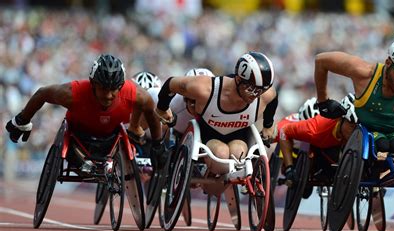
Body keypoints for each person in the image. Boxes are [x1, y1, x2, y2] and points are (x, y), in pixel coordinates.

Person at [5, 54, 166, 172]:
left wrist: (158, 144)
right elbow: (41, 94)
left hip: (110, 139)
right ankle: (80, 164)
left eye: (113, 90)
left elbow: (151, 111)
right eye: (103, 89)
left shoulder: (134, 93)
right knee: (78, 160)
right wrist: (22, 119)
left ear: (121, 86)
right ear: (93, 84)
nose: (109, 95)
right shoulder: (73, 92)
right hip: (78, 137)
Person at [155, 51, 278, 175]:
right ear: (238, 79)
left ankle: (221, 187)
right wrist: (162, 108)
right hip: (209, 134)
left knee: (238, 154)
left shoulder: (266, 95)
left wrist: (268, 125)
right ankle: (214, 182)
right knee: (221, 154)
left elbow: (273, 99)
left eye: (260, 90)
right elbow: (171, 83)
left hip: (239, 135)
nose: (255, 94)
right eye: (251, 89)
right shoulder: (206, 88)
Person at [278, 94, 358, 187]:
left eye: (357, 126)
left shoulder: (358, 129)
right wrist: (289, 168)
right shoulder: (315, 128)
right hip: (320, 147)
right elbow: (284, 131)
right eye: (352, 125)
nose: (355, 131)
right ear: (341, 119)